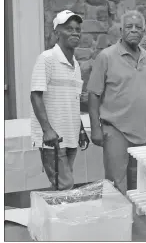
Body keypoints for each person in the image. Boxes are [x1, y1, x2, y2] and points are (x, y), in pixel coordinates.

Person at [87, 11, 146, 194]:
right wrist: (96, 128)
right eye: (129, 27)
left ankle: (134, 220)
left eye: (138, 27)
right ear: (121, 31)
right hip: (115, 129)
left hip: (140, 130)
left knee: (138, 179)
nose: (134, 30)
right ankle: (119, 220)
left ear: (144, 32)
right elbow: (93, 94)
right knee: (116, 181)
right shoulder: (106, 57)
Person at [30, 10, 90, 191]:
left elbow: (72, 101)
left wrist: (80, 129)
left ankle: (50, 217)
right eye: (69, 29)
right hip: (53, 138)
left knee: (61, 184)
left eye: (77, 29)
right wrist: (47, 130)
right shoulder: (47, 58)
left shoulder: (75, 65)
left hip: (70, 135)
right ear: (57, 33)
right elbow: (35, 95)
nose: (75, 32)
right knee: (65, 185)